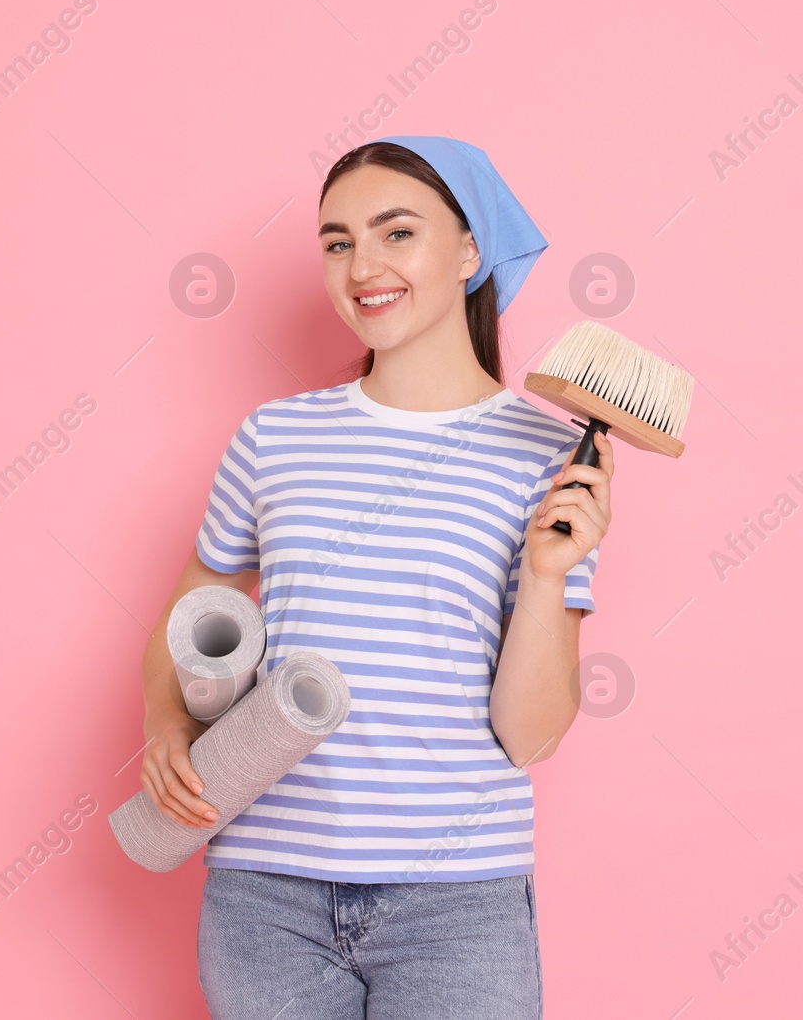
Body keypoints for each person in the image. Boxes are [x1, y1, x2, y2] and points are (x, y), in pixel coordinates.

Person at [139, 135, 614, 1019]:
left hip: (457, 903)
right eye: (338, 240)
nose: (363, 266)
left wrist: (548, 576)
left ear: (472, 250)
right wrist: (165, 726)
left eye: (398, 232)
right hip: (264, 894)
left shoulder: (550, 458)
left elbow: (530, 736)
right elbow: (190, 610)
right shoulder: (273, 439)